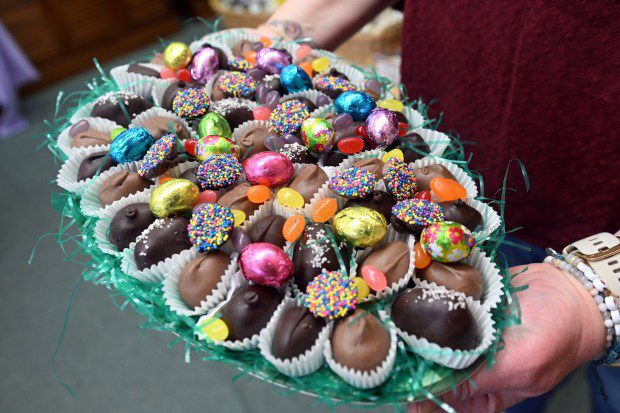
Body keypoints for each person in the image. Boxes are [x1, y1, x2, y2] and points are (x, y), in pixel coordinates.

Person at [231, 0, 620, 411]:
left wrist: (599, 295)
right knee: (493, 368)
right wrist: (277, 39)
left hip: (600, 203)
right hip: (435, 157)